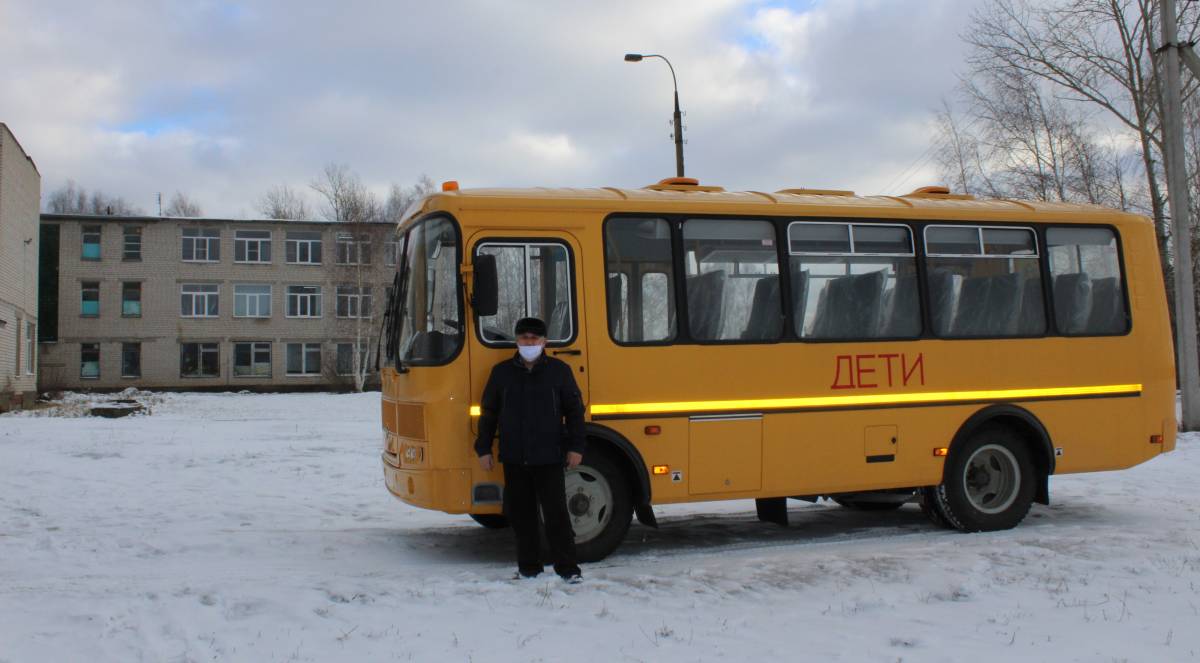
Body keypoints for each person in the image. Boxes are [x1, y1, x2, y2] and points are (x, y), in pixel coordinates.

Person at [474, 317, 587, 583]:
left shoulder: (560, 371)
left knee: (557, 515)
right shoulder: (501, 372)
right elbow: (488, 413)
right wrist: (484, 448)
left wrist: (576, 446)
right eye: (524, 338)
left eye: (535, 339)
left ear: (544, 342)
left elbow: (575, 412)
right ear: (517, 341)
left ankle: (568, 570)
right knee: (522, 517)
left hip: (549, 456)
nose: (529, 343)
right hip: (514, 456)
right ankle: (529, 569)